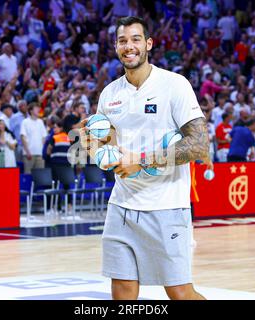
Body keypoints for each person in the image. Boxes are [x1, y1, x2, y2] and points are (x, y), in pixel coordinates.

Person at [78, 16, 210, 300]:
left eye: (136, 39)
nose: (129, 46)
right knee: (123, 290)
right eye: (123, 41)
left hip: (167, 205)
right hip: (122, 205)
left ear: (148, 44)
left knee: (180, 293)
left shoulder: (174, 84)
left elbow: (200, 145)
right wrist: (95, 148)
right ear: (116, 47)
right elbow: (108, 148)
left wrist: (142, 160)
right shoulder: (109, 94)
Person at [20, 102, 47, 174]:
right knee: (28, 175)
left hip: (39, 154)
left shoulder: (40, 122)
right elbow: (23, 137)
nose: (38, 109)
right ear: (31, 111)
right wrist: (28, 152)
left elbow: (44, 137)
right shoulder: (25, 122)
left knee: (40, 176)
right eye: (36, 108)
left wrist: (42, 151)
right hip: (29, 154)